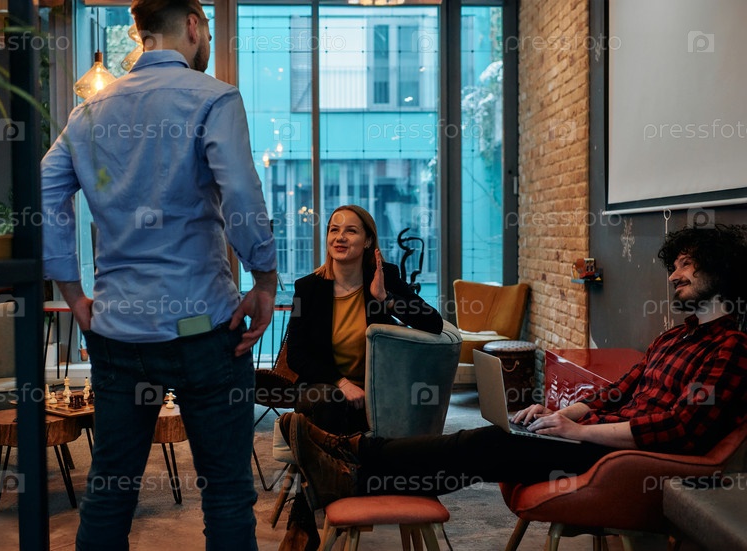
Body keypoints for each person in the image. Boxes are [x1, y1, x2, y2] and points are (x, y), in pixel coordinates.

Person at [283, 224, 747, 510]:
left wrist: (579, 432)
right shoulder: (672, 337)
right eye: (675, 266)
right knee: (482, 447)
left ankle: (354, 456)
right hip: (597, 440)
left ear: (721, 271)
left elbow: (681, 429)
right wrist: (562, 414)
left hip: (623, 460)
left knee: (485, 444)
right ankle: (353, 472)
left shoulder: (731, 347)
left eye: (687, 265)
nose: (674, 275)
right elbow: (616, 391)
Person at [41, 0, 277, 549]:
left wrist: (73, 293)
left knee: (110, 490)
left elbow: (47, 192)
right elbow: (241, 196)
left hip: (119, 334)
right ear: (193, 25)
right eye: (207, 30)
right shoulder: (214, 97)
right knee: (226, 492)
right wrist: (264, 279)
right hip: (206, 331)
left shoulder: (88, 113)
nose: (207, 40)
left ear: (141, 33)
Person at [280, 205, 443, 550]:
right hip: (323, 391)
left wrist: (386, 298)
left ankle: (311, 515)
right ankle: (316, 512)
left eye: (351, 230)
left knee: (329, 417)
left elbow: (433, 323)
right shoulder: (307, 288)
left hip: (375, 397)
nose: (340, 237)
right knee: (327, 402)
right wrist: (341, 382)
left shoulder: (385, 277)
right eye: (334, 229)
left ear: (368, 240)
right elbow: (297, 355)